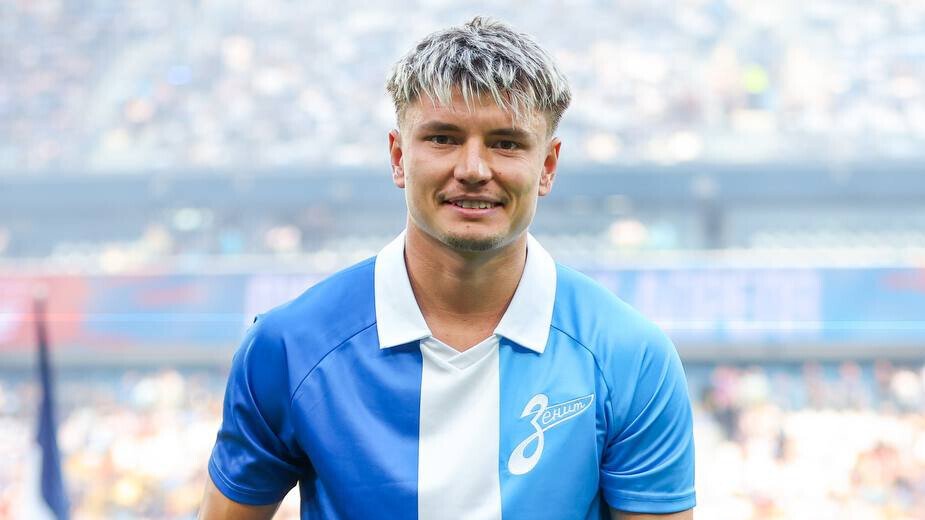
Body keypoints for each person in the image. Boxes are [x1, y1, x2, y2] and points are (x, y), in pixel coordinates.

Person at [200, 17, 695, 520]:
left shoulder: (629, 356)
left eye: (506, 143)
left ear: (547, 166)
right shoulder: (289, 347)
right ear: (398, 156)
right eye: (442, 138)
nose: (473, 170)